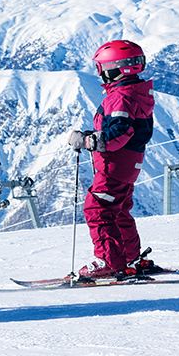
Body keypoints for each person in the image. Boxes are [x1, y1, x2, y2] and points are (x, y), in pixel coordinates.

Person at [68, 40, 156, 279]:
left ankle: (109, 261)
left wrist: (89, 142)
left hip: (114, 166)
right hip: (128, 165)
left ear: (116, 68)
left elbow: (120, 131)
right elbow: (124, 129)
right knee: (118, 210)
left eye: (102, 68)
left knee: (98, 208)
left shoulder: (121, 97)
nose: (100, 74)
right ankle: (129, 258)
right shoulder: (136, 93)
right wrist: (92, 136)